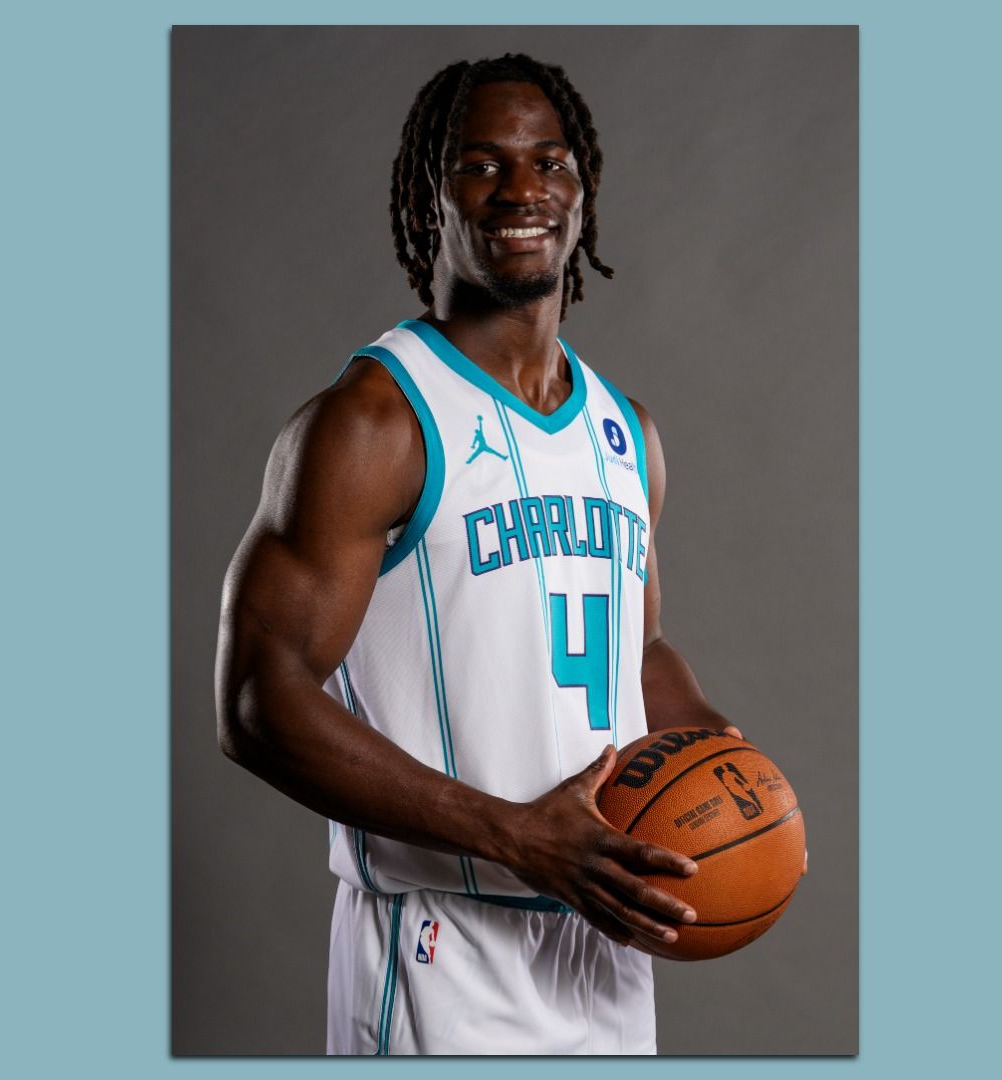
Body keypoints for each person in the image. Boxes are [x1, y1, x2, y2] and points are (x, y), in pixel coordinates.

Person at [215, 53, 743, 1054]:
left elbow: (637, 649)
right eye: (481, 164)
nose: (522, 190)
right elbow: (257, 698)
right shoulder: (373, 423)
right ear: (430, 200)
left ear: (582, 197)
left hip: (606, 951)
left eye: (550, 162)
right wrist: (512, 835)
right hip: (441, 958)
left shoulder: (624, 432)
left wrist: (723, 761)